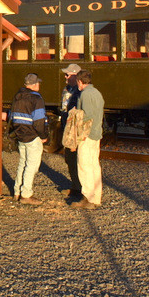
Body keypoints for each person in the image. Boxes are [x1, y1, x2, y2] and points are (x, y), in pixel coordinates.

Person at [9, 73, 49, 205]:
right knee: (31, 166)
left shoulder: (17, 96)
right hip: (32, 136)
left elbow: (12, 116)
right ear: (35, 84)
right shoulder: (36, 99)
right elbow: (39, 121)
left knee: (22, 163)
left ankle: (17, 191)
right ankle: (26, 194)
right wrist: (43, 136)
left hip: (20, 135)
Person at [70, 69, 105, 210]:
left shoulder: (85, 94)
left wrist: (80, 135)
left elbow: (87, 116)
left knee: (84, 166)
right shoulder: (97, 93)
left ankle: (88, 197)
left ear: (80, 81)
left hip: (87, 135)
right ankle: (96, 197)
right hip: (97, 134)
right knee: (94, 165)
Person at [60, 63, 83, 201]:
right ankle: (75, 185)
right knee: (69, 159)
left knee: (76, 160)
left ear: (75, 76)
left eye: (67, 74)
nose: (65, 77)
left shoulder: (79, 92)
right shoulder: (67, 89)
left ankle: (80, 188)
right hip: (66, 129)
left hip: (74, 131)